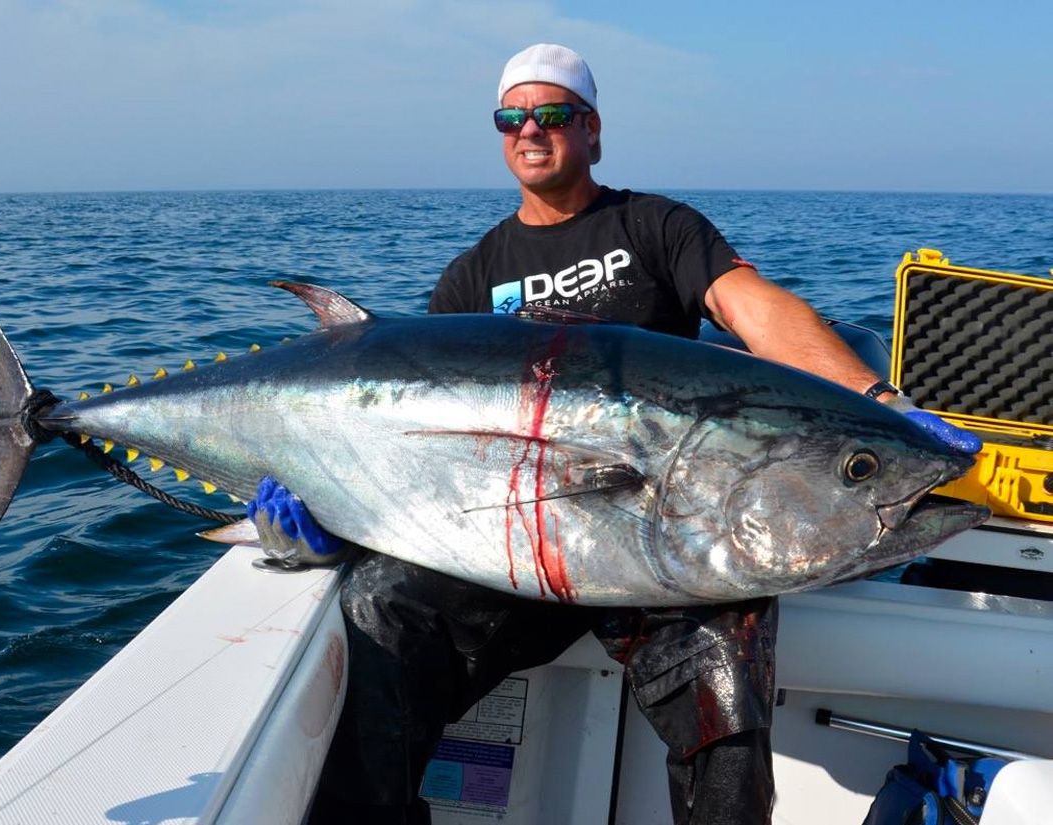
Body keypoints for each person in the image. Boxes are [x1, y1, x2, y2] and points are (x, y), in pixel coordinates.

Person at [293, 43, 980, 825]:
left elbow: (755, 311)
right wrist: (334, 501)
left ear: (591, 130)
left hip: (671, 548)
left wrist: (878, 398)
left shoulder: (654, 227)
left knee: (728, 663)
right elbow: (424, 426)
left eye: (551, 114)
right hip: (511, 552)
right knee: (383, 608)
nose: (529, 130)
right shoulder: (472, 276)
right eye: (510, 117)